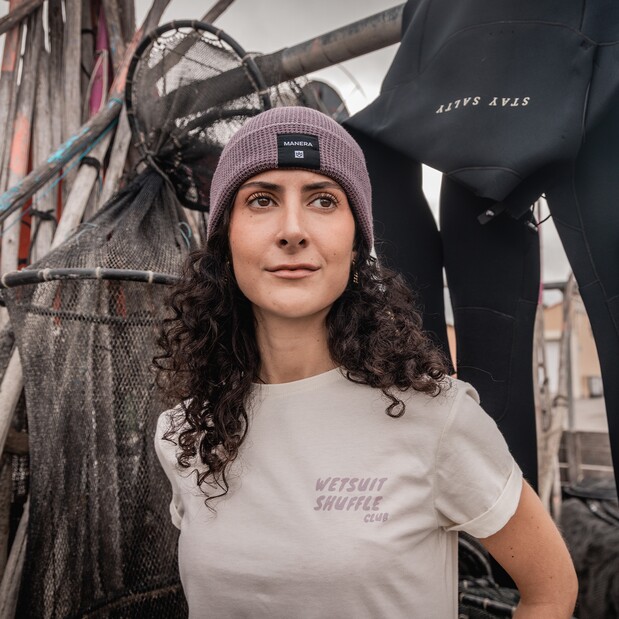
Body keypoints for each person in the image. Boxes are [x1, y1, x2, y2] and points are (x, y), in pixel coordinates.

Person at [154, 106, 577, 618]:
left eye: (324, 200)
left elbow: (551, 590)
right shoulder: (185, 433)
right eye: (262, 200)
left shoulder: (435, 417)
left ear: (357, 244)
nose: (293, 230)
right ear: (225, 241)